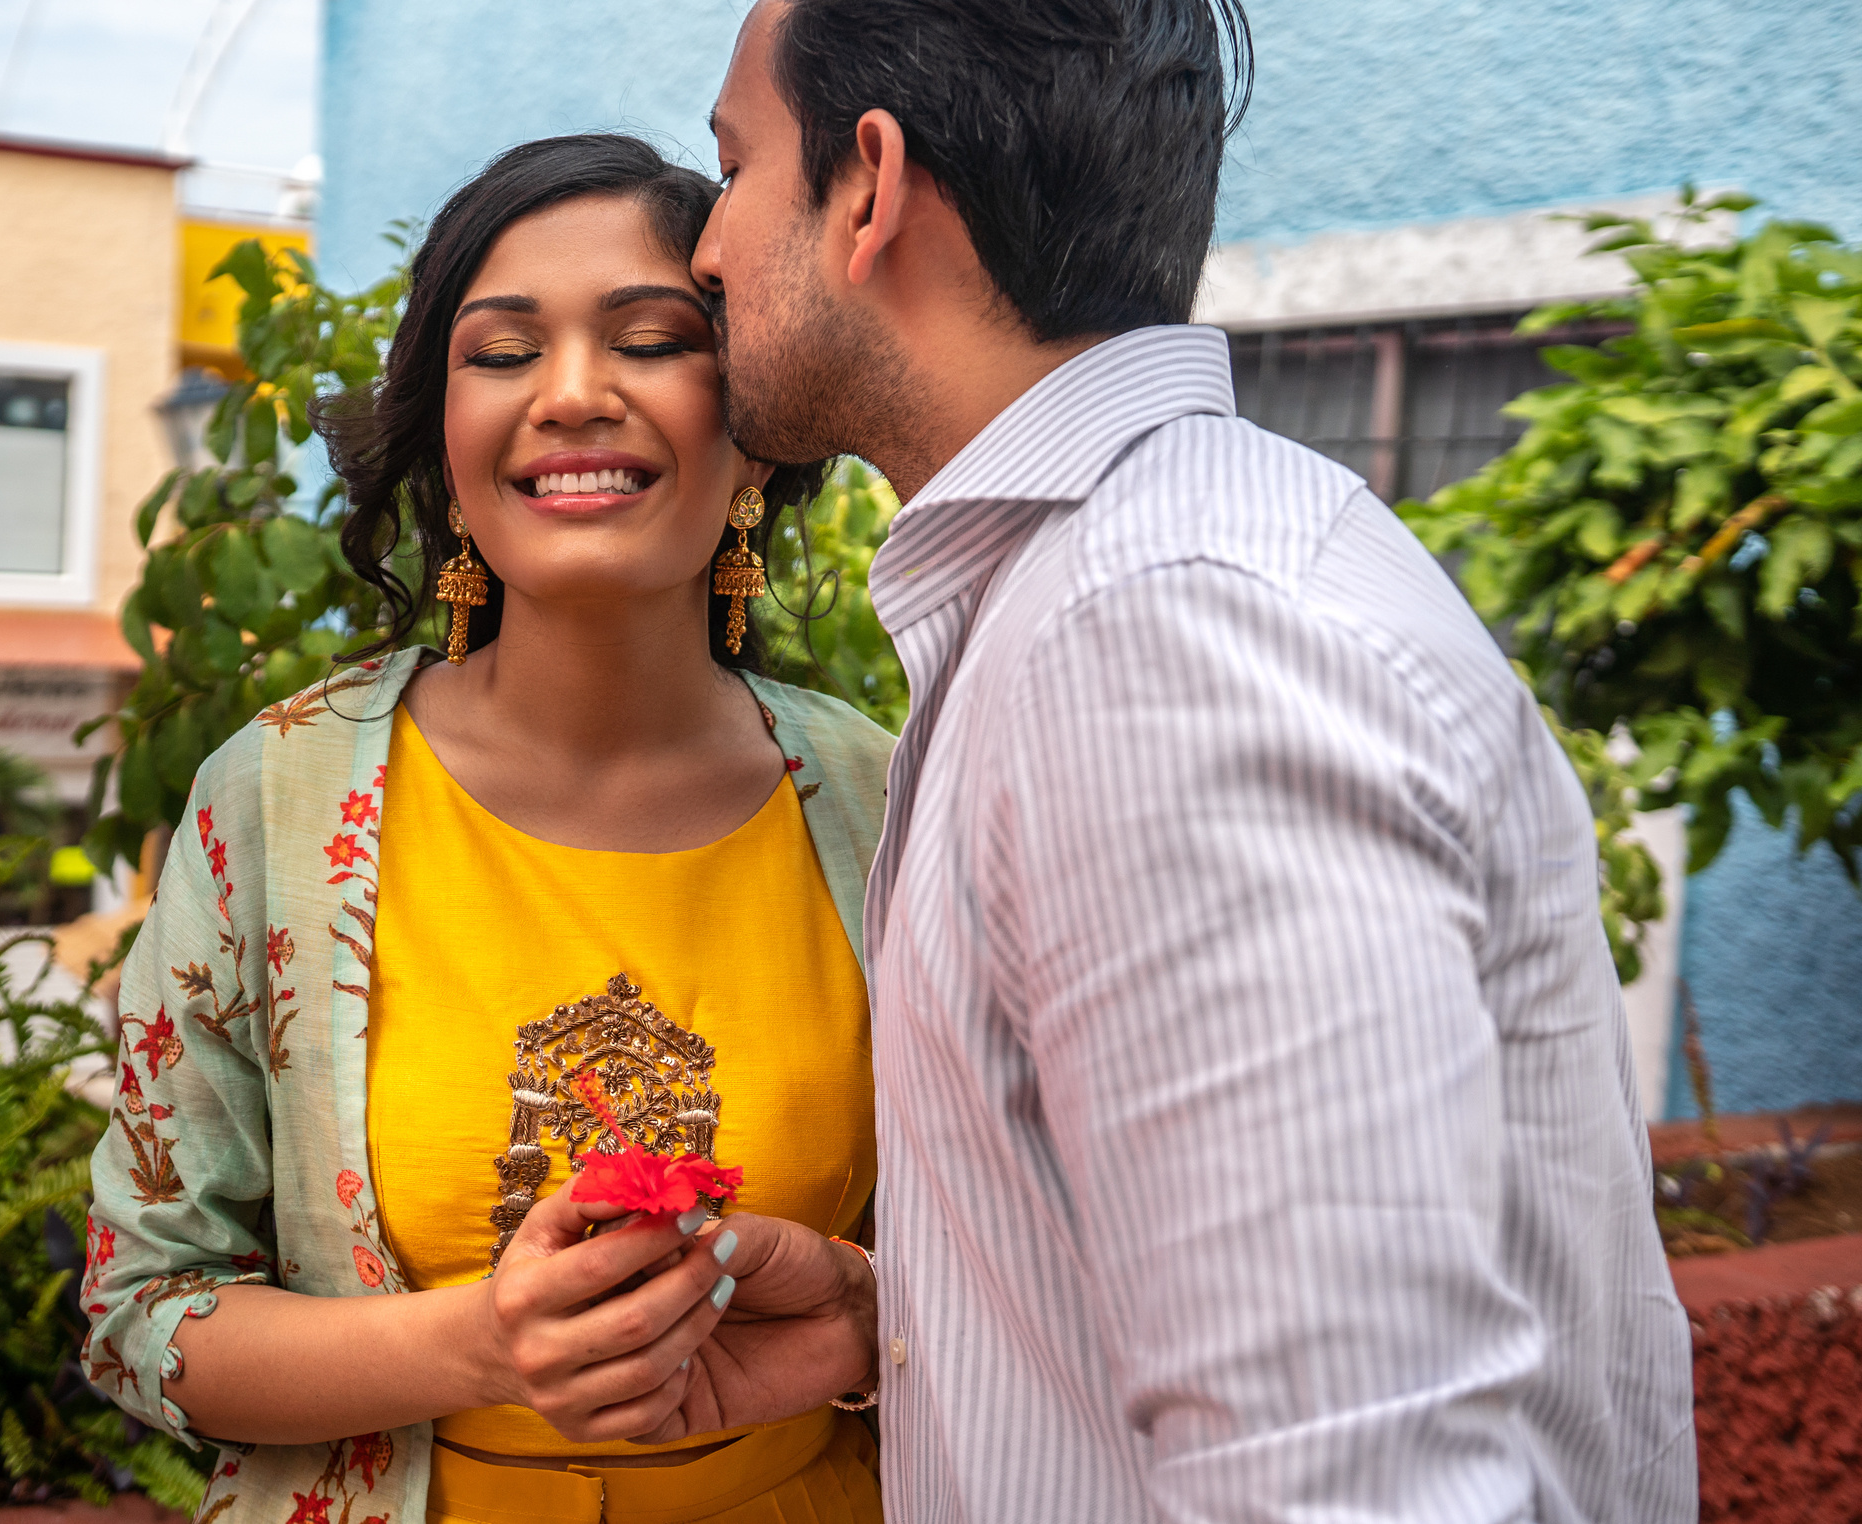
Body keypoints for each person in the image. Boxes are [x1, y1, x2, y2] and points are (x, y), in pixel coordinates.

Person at [681, 2, 1699, 1520]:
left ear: (870, 190)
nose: (702, 246)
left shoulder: (1159, 636)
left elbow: (1351, 1484)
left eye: (737, 162)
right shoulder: (1115, 587)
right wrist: (895, 1326)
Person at [80, 133, 896, 1524]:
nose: (573, 395)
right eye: (502, 353)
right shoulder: (272, 804)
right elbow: (142, 1317)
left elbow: (1023, 1273)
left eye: (650, 340)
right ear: (445, 445)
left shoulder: (891, 800)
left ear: (754, 416)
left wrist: (862, 1314)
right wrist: (485, 1342)